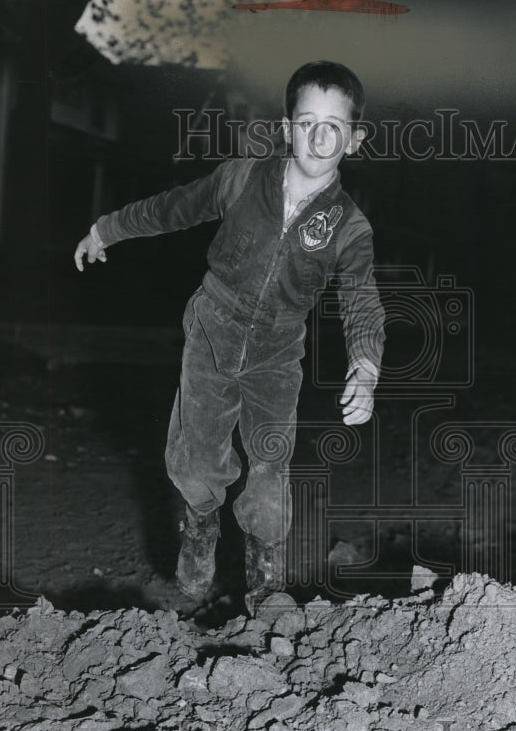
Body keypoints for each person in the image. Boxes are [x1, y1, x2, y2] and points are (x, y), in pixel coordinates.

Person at [74, 60, 385, 615]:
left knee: (270, 461)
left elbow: (361, 296)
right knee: (196, 457)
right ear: (287, 127)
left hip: (278, 351)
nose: (318, 137)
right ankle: (199, 528)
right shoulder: (241, 178)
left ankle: (265, 583)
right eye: (307, 122)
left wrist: (365, 365)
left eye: (334, 126)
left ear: (354, 138)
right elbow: (173, 208)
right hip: (213, 328)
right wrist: (108, 228)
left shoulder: (350, 226)